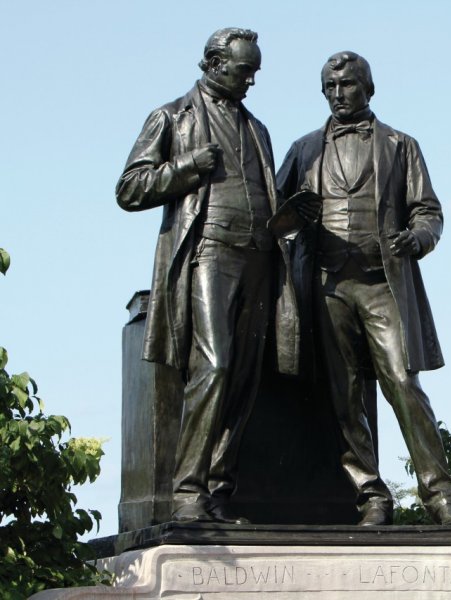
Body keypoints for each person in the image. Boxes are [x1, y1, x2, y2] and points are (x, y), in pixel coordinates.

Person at [276, 51, 451, 526]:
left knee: (403, 384)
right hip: (325, 284)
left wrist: (419, 238)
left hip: (382, 280)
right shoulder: (303, 150)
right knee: (342, 394)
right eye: (330, 88)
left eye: (347, 86)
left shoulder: (401, 146)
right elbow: (274, 217)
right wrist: (293, 217)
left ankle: (440, 495)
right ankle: (371, 496)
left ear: (369, 88)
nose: (338, 95)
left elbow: (428, 211)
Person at [116, 28, 301, 524]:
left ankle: (217, 493)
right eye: (246, 71)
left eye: (255, 72)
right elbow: (130, 187)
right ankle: (187, 491)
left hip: (260, 255)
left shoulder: (256, 128)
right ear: (215, 64)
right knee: (214, 365)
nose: (251, 81)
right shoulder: (173, 116)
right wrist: (187, 167)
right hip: (208, 251)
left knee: (243, 378)